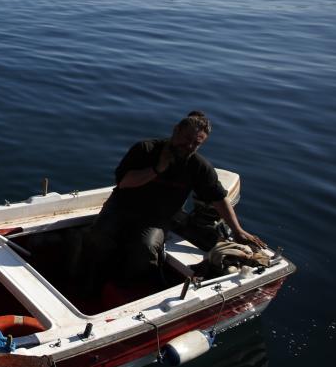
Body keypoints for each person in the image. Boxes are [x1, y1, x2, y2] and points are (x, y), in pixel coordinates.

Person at [82, 111, 265, 290]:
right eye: (186, 139)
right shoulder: (146, 149)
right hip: (121, 207)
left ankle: (132, 288)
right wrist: (157, 169)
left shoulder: (198, 166)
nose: (189, 146)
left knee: (146, 247)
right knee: (98, 236)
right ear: (175, 130)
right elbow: (124, 183)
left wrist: (238, 230)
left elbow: (218, 198)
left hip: (157, 218)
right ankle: (88, 281)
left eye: (196, 143)